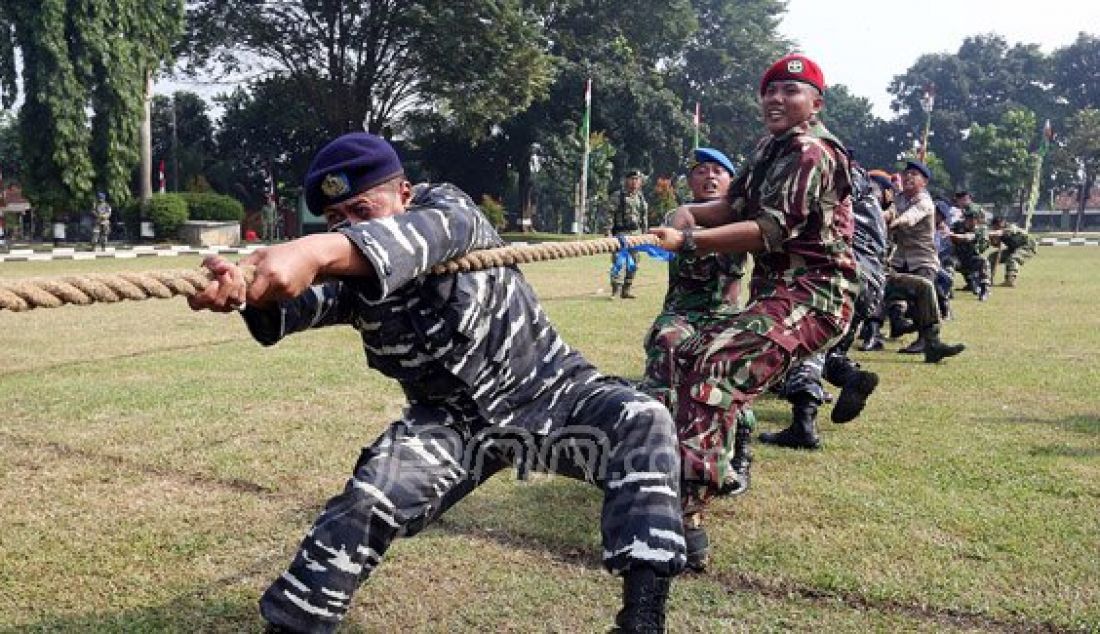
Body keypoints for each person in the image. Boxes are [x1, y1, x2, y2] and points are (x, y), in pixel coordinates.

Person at [187, 133, 686, 633]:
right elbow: (297, 303)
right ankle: (292, 625)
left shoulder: (450, 211)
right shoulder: (352, 271)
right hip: (450, 424)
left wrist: (317, 247)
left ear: (404, 194)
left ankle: (642, 618)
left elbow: (407, 240)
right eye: (337, 219)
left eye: (364, 208)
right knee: (369, 498)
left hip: (550, 391)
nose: (351, 226)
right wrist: (247, 290)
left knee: (642, 419)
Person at [649, 53, 858, 564]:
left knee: (716, 367)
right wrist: (684, 213)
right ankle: (717, 464)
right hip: (779, 294)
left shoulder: (811, 152)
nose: (777, 100)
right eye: (770, 92)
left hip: (818, 294)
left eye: (791, 92)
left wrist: (690, 239)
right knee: (686, 352)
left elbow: (768, 231)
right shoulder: (770, 147)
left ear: (815, 103)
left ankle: (687, 519)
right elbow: (734, 207)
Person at [639, 146, 752, 571]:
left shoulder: (742, 218)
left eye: (717, 172)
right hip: (683, 314)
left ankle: (739, 450)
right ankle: (657, 453)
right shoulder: (682, 215)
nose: (708, 177)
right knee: (666, 347)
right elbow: (674, 225)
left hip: (724, 316)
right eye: (701, 171)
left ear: (730, 181)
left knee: (721, 373)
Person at [760, 163, 886, 450]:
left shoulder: (825, 188)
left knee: (803, 345)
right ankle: (852, 377)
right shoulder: (871, 202)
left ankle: (803, 424)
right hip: (872, 283)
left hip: (842, 276)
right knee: (830, 349)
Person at [606, 169, 649, 298]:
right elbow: (609, 214)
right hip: (621, 233)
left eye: (637, 179)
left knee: (634, 263)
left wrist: (645, 234)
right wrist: (607, 231)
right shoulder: (618, 196)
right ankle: (616, 290)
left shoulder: (640, 198)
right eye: (632, 179)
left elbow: (644, 217)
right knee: (619, 262)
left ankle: (626, 289)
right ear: (626, 180)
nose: (635, 182)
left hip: (636, 234)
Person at [950, 207, 992, 301]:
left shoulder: (981, 230)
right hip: (958, 257)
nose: (970, 221)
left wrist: (955, 236)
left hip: (972, 258)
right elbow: (947, 232)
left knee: (983, 262)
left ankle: (984, 290)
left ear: (977, 220)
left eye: (973, 219)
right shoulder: (957, 225)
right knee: (949, 263)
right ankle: (947, 290)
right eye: (968, 219)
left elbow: (978, 244)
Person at [988, 215, 1036, 287]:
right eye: (994, 226)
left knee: (1013, 258)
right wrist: (993, 240)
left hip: (1027, 246)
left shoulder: (1011, 227)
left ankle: (1010, 280)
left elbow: (1004, 232)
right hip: (1014, 248)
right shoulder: (996, 231)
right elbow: (996, 244)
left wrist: (992, 233)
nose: (996, 227)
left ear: (1003, 223)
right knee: (992, 257)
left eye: (998, 225)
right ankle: (987, 279)